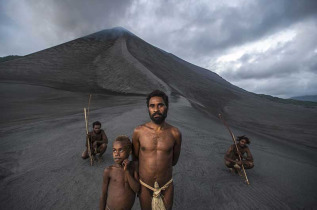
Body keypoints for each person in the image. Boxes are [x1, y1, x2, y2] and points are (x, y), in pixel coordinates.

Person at [132, 90, 182, 210]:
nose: (156, 109)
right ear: (148, 108)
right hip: (145, 185)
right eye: (152, 106)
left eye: (160, 105)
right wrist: (136, 181)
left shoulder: (175, 133)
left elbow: (174, 161)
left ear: (166, 107)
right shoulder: (138, 132)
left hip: (166, 185)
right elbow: (135, 159)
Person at [99, 136, 140, 210]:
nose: (116, 154)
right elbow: (103, 195)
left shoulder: (133, 167)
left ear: (129, 151)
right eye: (114, 150)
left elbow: (137, 189)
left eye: (121, 150)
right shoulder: (109, 171)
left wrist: (127, 172)